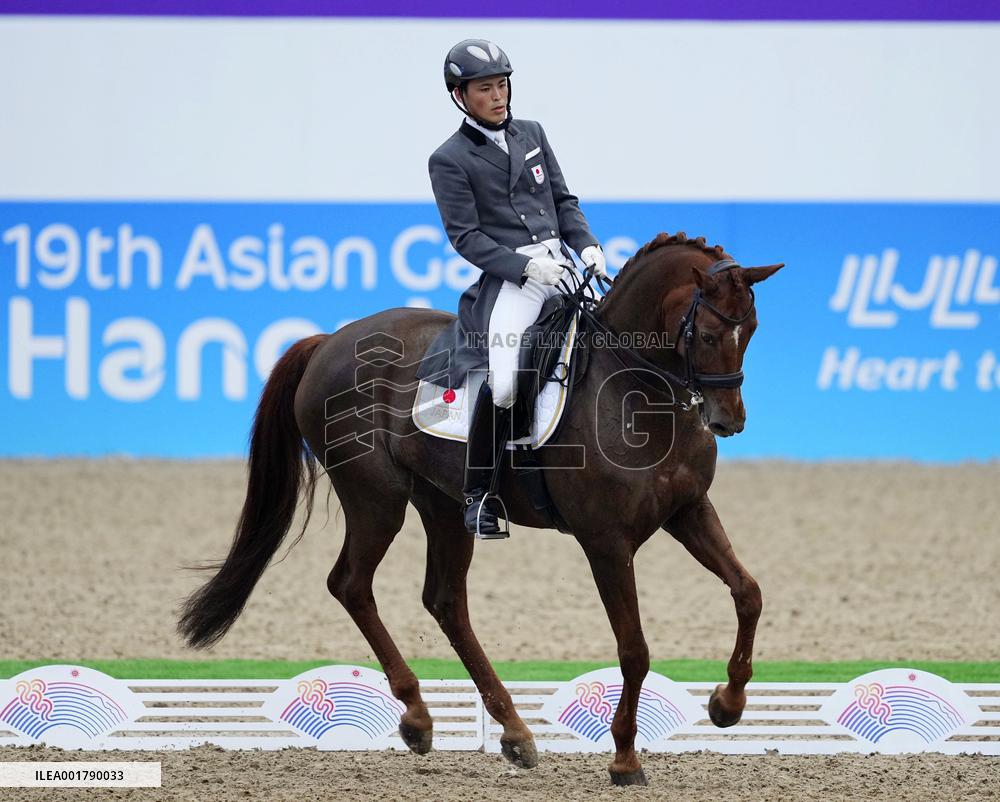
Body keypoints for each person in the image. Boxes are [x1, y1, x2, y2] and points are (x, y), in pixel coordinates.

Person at [421, 38, 606, 539]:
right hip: (514, 279)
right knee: (504, 383)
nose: (498, 96)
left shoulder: (532, 133)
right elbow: (466, 237)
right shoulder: (450, 158)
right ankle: (479, 495)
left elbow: (563, 200)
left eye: (502, 84)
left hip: (563, 266)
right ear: (460, 95)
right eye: (486, 88)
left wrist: (585, 245)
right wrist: (524, 270)